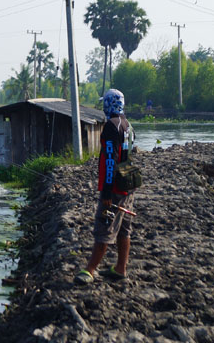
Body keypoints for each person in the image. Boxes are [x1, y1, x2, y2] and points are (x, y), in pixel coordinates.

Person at [75, 88, 135, 285]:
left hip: (114, 188)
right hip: (127, 184)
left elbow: (111, 160)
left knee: (104, 227)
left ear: (109, 104)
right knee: (124, 228)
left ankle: (90, 269)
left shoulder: (110, 126)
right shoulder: (127, 125)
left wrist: (107, 191)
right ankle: (120, 268)